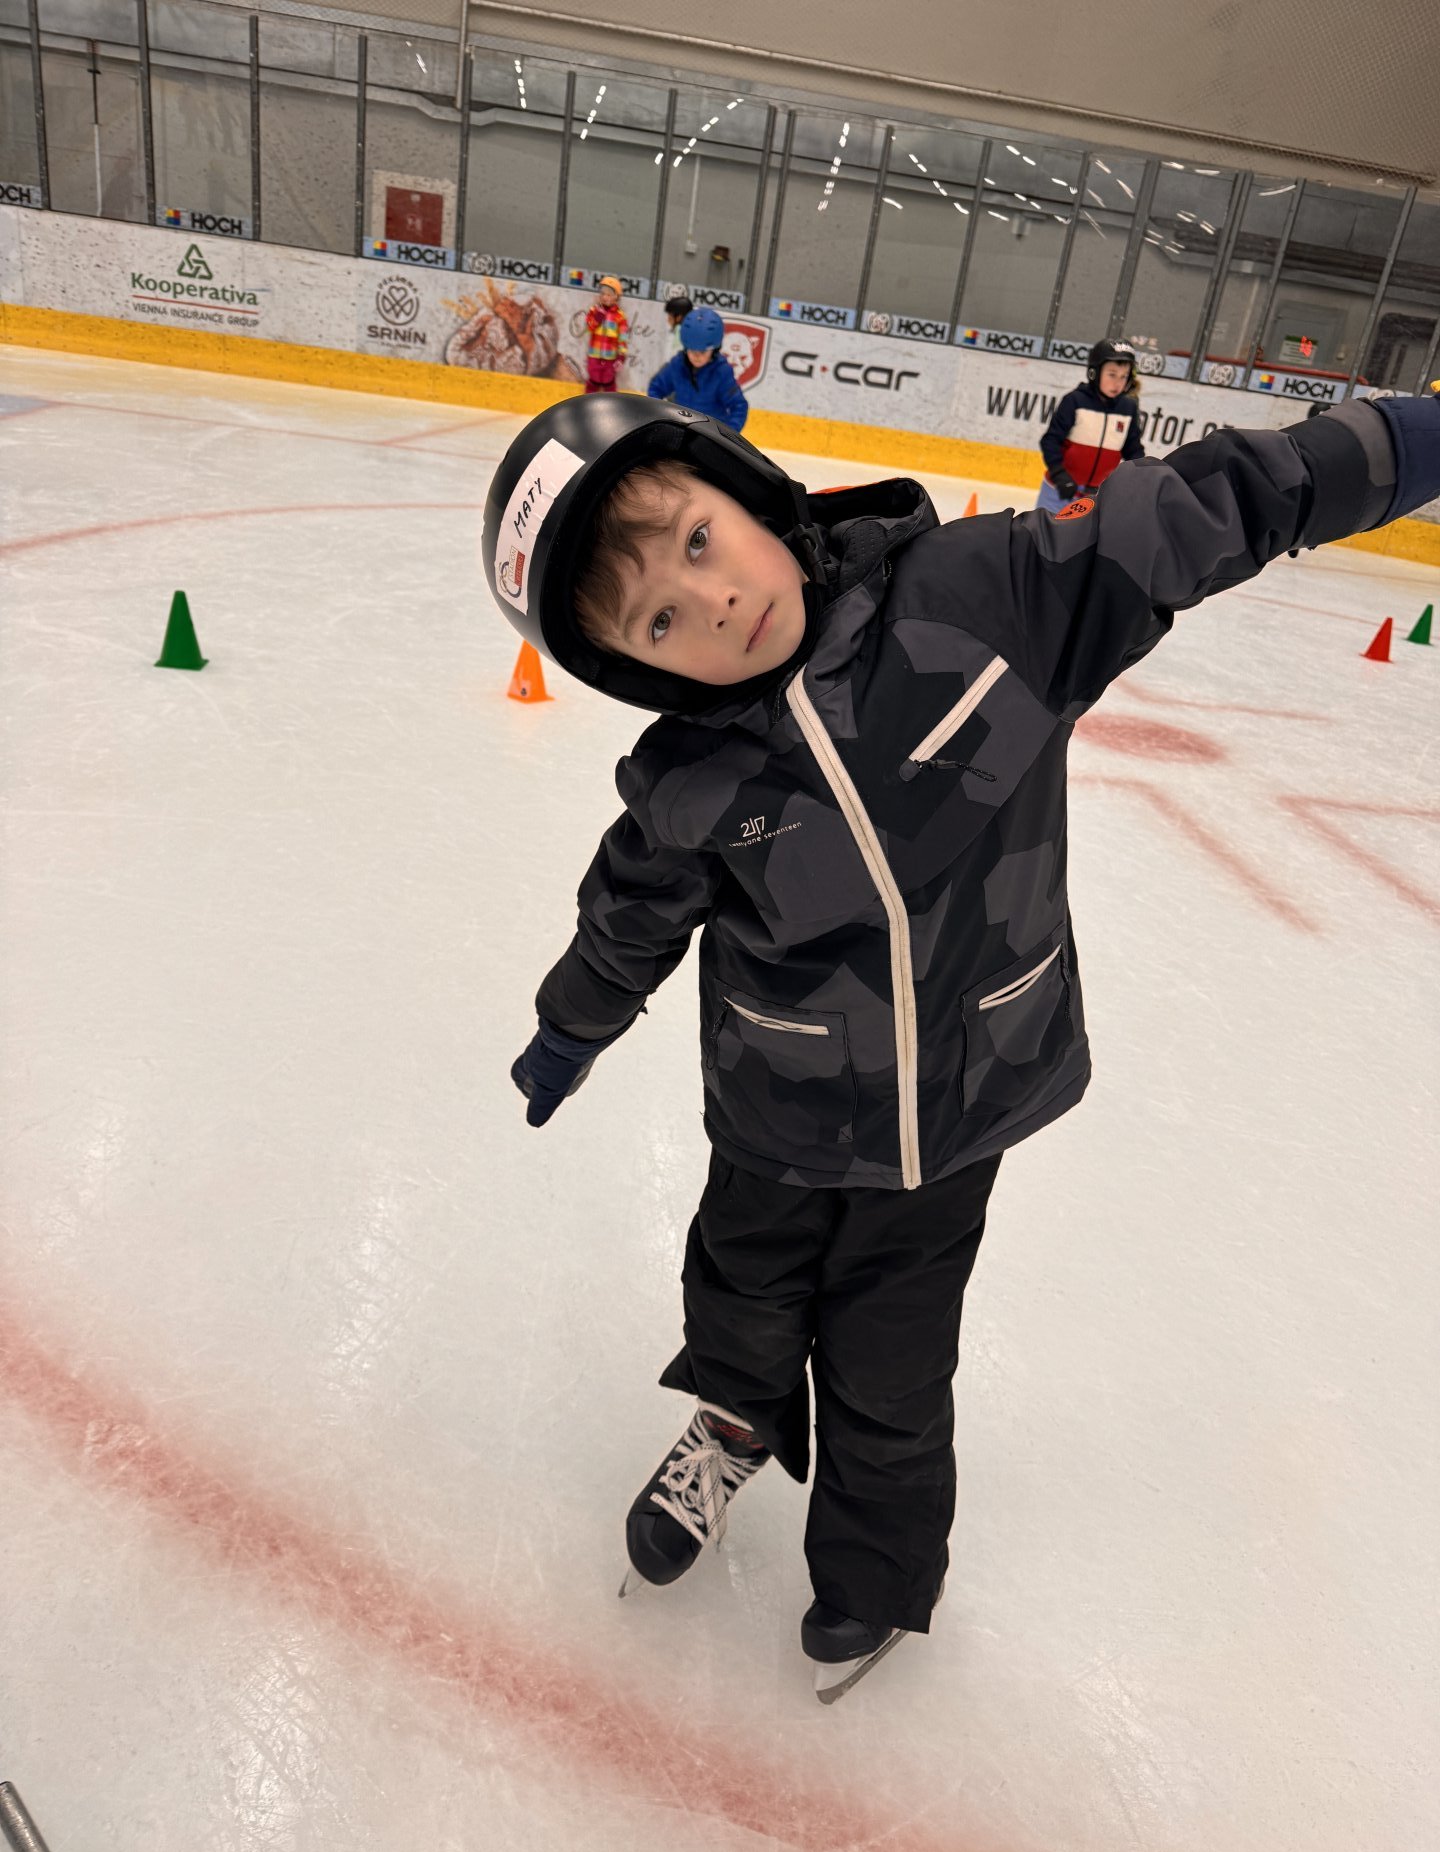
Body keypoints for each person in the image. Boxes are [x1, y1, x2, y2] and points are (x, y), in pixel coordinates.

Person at [483, 385, 1440, 1702]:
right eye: (656, 620)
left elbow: (1212, 505)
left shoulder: (987, 601)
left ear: (746, 490)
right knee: (739, 1297)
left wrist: (1406, 444)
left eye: (699, 542)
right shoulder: (688, 783)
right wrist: (566, 1031)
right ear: (638, 670)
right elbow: (625, 922)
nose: (709, 602)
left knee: (891, 1368)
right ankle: (734, 1424)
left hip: (953, 1113)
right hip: (774, 1115)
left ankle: (874, 1578)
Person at [1037, 338, 1144, 512]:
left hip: (1095, 498)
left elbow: (1133, 450)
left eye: (1123, 376)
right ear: (1094, 373)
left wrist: (1141, 475)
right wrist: (1059, 474)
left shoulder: (1128, 408)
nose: (1117, 383)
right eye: (1112, 374)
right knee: (1040, 530)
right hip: (1057, 491)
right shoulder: (1074, 401)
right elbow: (1050, 441)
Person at [647, 307, 748, 433]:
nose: (697, 356)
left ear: (714, 349)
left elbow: (739, 406)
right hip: (681, 431)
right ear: (686, 347)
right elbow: (655, 388)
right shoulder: (677, 365)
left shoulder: (721, 372)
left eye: (702, 352)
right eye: (692, 350)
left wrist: (727, 434)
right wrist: (660, 417)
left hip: (710, 435)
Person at [584, 276, 630, 396]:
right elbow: (589, 328)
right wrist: (598, 317)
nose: (605, 297)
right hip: (594, 355)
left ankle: (612, 404)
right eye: (603, 294)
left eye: (609, 295)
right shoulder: (594, 310)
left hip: (610, 357)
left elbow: (623, 337)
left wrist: (621, 356)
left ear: (616, 297)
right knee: (593, 381)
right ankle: (588, 402)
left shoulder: (620, 316)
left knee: (609, 383)